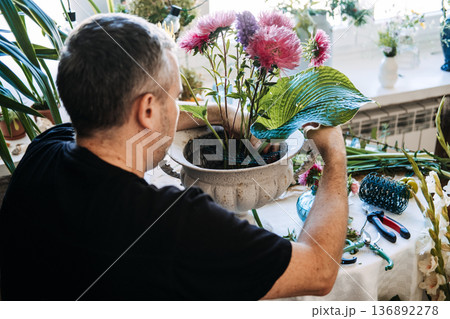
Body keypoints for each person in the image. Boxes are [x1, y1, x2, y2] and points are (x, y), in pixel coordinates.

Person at [0, 14, 348, 301]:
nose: (178, 108)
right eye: (175, 97)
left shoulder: (42, 151)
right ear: (148, 109)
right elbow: (319, 271)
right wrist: (334, 155)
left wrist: (220, 112)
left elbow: (118, 119)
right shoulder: (170, 223)